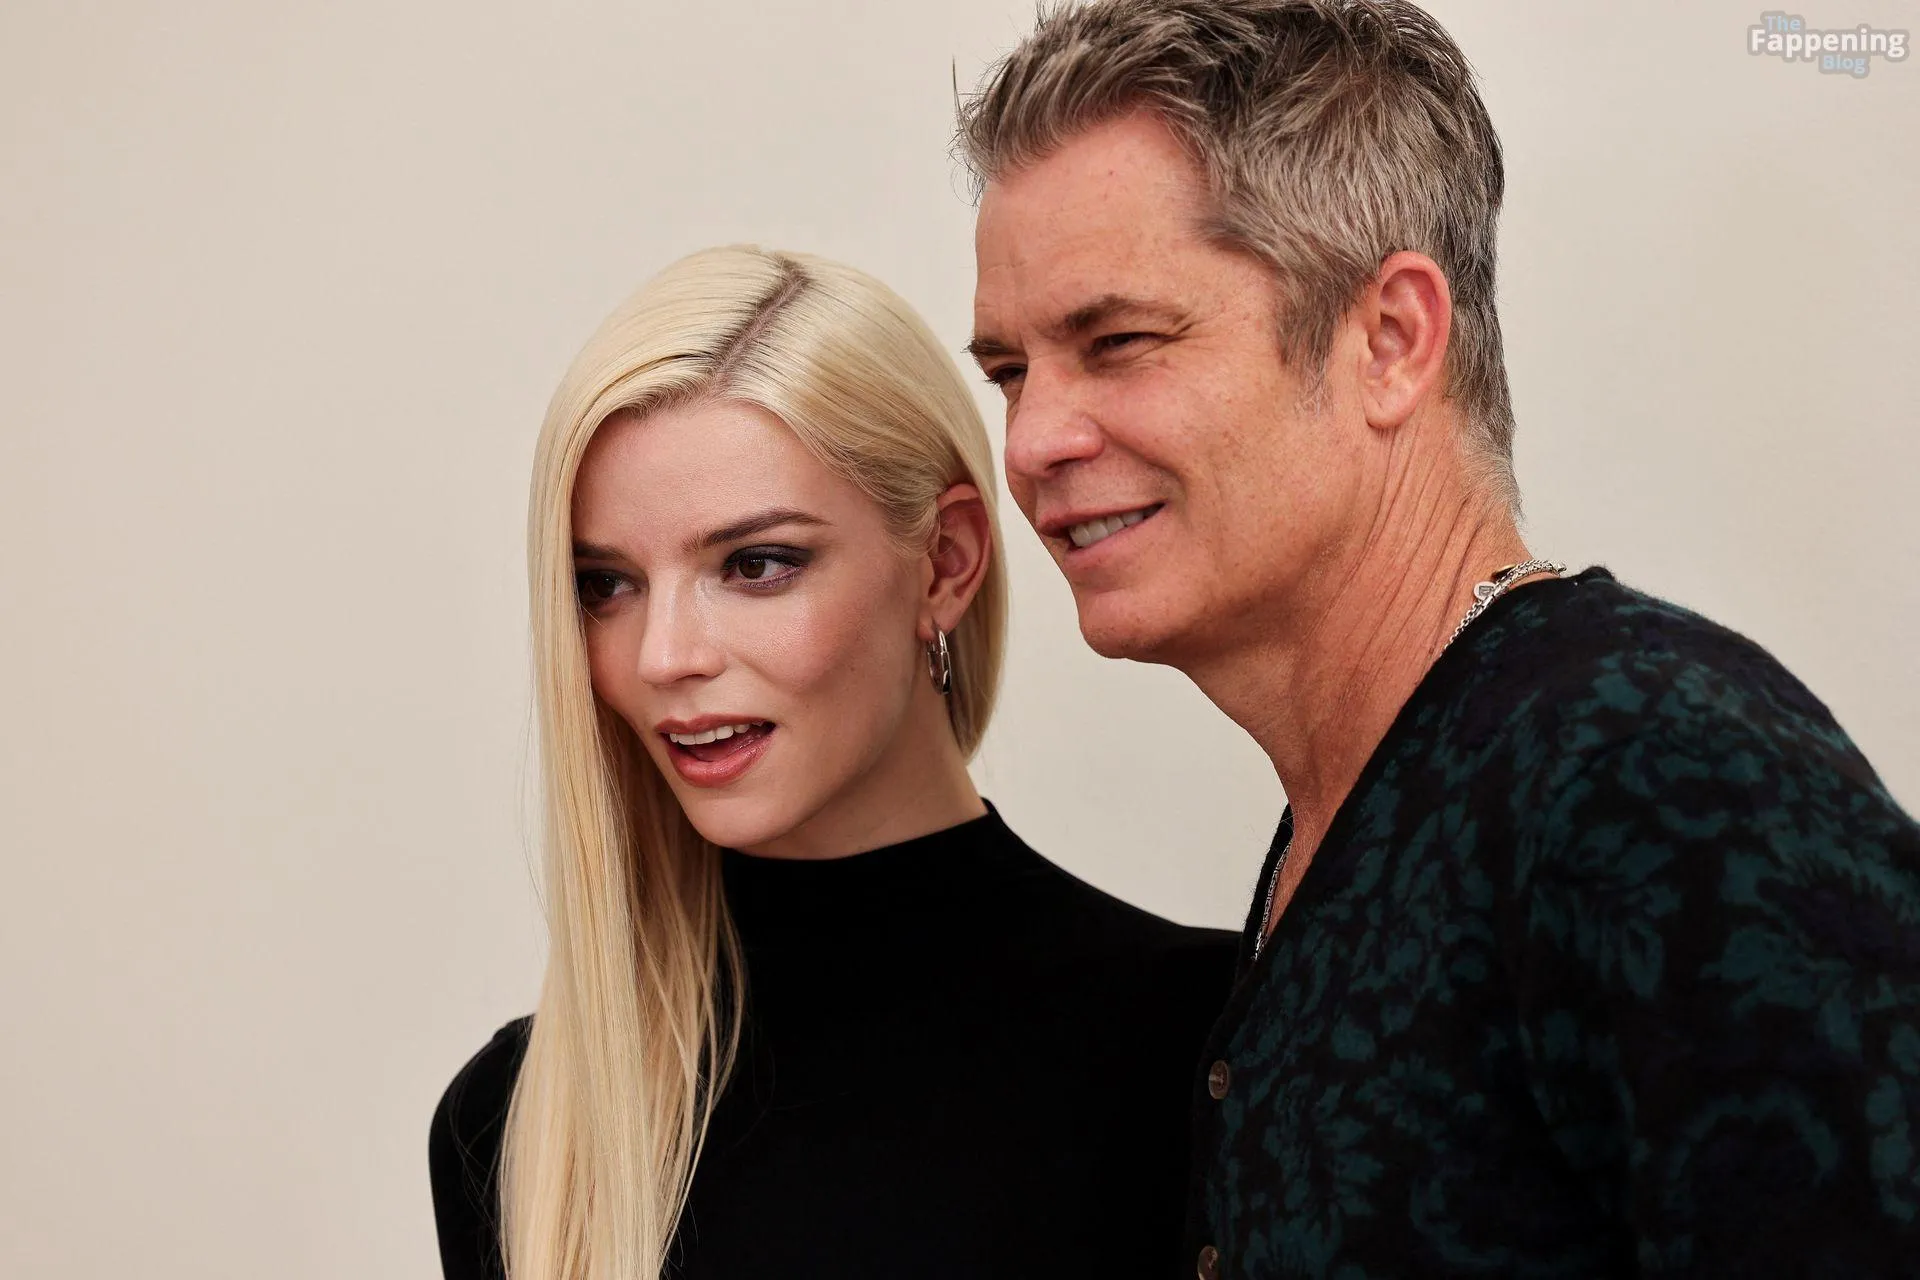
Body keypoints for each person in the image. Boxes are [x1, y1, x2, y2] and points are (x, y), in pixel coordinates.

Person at [957, 1, 1920, 1276]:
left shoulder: (1650, 771)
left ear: (1391, 340)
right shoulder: (1363, 809)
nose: (1033, 441)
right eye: (1010, 372)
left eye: (1119, 342)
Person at [427, 245, 1236, 1280]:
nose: (664, 655)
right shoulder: (518, 1124)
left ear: (945, 562)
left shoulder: (1203, 1047)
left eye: (756, 563)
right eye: (606, 585)